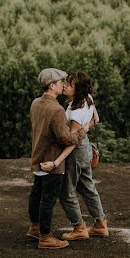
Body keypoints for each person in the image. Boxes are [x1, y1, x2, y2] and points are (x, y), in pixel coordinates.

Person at [41, 71, 109, 240]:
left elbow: (72, 141)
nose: (64, 85)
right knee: (87, 187)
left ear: (77, 90)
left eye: (69, 84)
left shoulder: (77, 112)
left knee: (66, 191)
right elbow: (97, 119)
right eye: (65, 82)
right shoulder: (88, 99)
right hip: (84, 148)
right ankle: (100, 225)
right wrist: (86, 128)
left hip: (76, 151)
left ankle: (79, 228)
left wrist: (56, 162)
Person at [27, 68, 88, 249]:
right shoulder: (56, 109)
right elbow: (65, 138)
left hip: (38, 157)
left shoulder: (35, 103)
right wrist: (82, 131)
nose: (64, 85)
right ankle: (45, 238)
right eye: (61, 82)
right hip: (52, 161)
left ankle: (34, 228)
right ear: (52, 85)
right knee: (48, 199)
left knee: (36, 193)